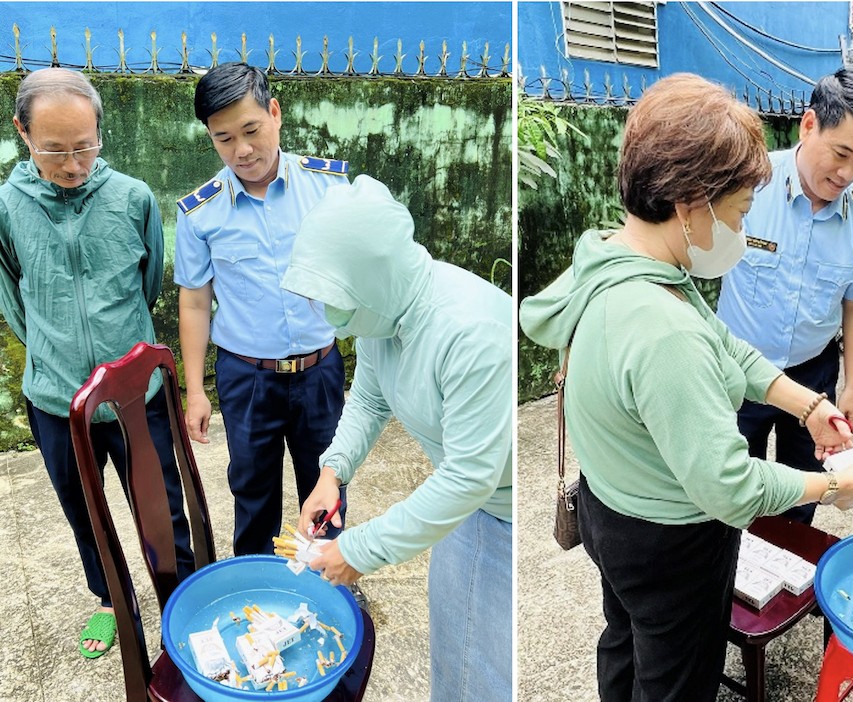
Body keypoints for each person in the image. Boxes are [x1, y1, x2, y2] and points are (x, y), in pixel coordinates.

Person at [519, 73, 853, 702]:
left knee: (626, 638)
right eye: (737, 211)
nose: (741, 226)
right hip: (669, 542)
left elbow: (725, 344)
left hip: (608, 505)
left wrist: (808, 405)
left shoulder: (612, 256)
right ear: (691, 205)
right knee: (676, 677)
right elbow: (729, 487)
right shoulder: (664, 332)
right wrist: (831, 487)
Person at [281, 175, 513, 701]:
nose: (327, 311)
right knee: (455, 649)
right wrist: (332, 472)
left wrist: (358, 550)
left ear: (373, 275)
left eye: (334, 294)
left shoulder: (470, 334)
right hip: (461, 507)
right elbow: (369, 399)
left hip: (502, 509)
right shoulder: (383, 316)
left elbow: (470, 475)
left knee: (492, 672)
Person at [0, 68, 194, 658]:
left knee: (162, 507)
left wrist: (119, 355)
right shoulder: (6, 207)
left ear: (100, 134)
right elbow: (14, 297)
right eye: (54, 150)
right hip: (58, 401)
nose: (73, 165)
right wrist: (56, 350)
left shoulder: (133, 198)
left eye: (85, 147)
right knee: (85, 512)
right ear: (22, 133)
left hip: (137, 396)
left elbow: (147, 286)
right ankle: (110, 599)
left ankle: (180, 598)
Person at [175, 62, 349, 556]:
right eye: (224, 138)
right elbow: (194, 302)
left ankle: (326, 577)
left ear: (275, 113)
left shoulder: (329, 187)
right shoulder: (200, 213)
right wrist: (195, 391)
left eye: (251, 130)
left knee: (328, 488)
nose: (242, 150)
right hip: (247, 379)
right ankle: (255, 581)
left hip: (320, 370)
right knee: (253, 493)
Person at [715, 68, 853, 524]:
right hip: (737, 372)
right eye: (841, 153)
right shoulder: (747, 184)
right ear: (809, 125)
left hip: (813, 373)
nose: (847, 174)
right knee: (730, 495)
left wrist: (851, 387)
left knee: (804, 493)